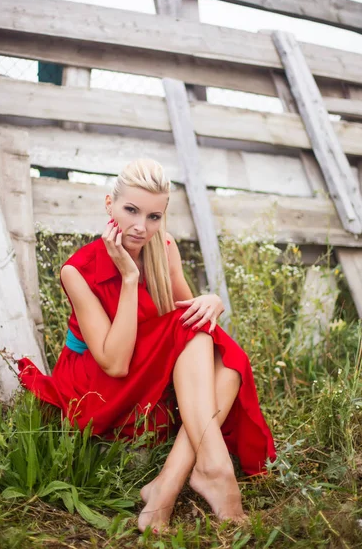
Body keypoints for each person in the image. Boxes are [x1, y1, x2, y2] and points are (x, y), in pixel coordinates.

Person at [18, 158, 276, 532]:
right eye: (131, 210)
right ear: (110, 205)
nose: (141, 227)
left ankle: (166, 487)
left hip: (145, 368)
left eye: (154, 216)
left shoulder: (163, 247)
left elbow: (192, 322)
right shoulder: (77, 270)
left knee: (224, 355)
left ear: (164, 216)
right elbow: (115, 362)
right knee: (205, 346)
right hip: (97, 384)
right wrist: (128, 277)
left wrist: (212, 302)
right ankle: (211, 467)